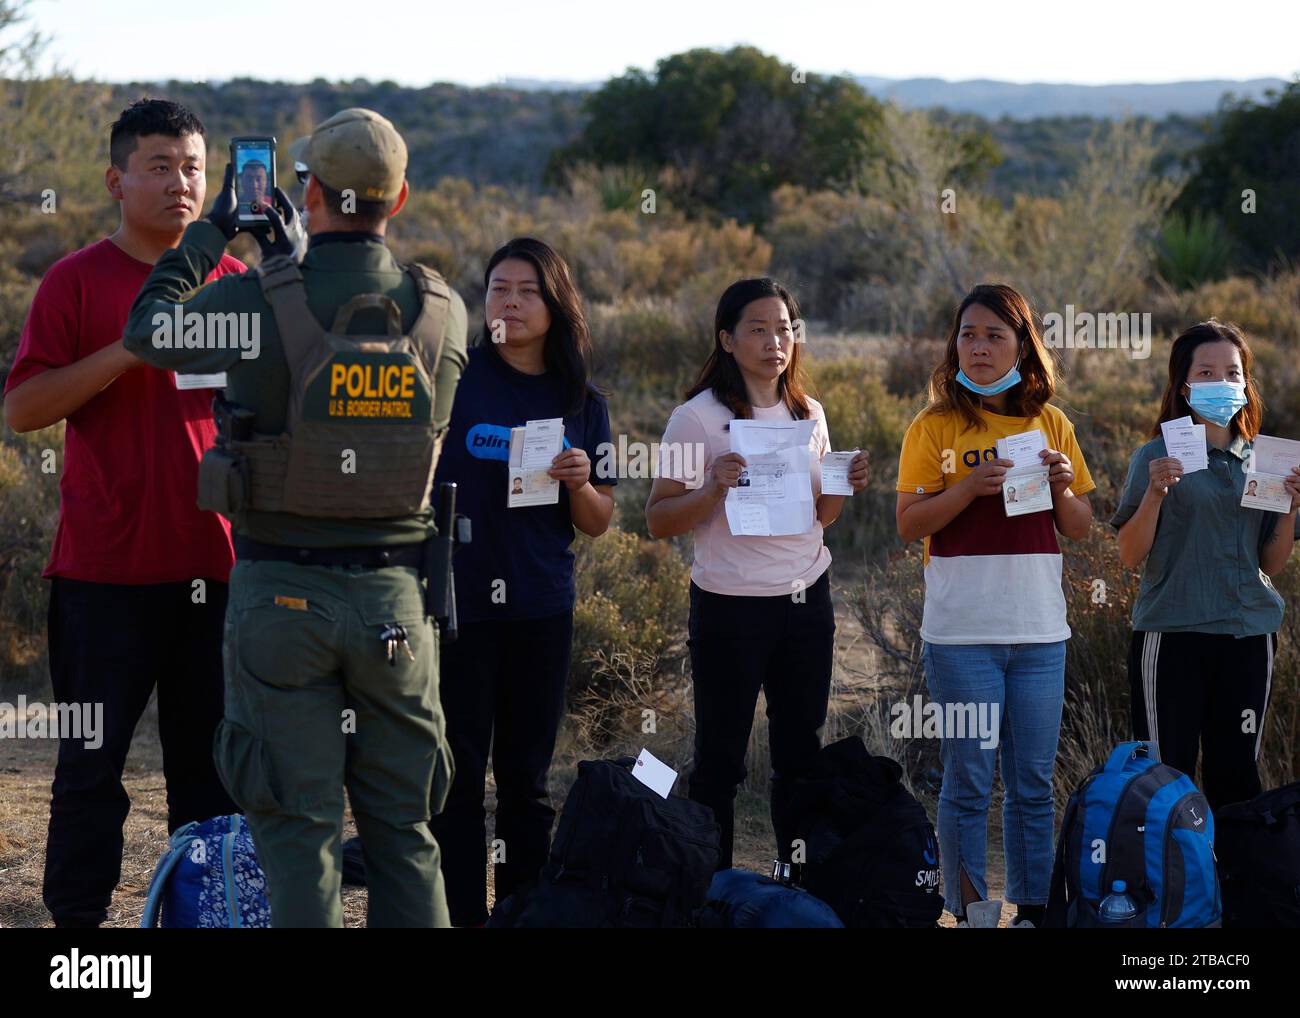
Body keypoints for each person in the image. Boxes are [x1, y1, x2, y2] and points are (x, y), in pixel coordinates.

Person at [121, 107, 469, 927]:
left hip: (281, 597)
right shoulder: (442, 312)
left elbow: (149, 333)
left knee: (297, 831)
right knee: (405, 833)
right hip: (396, 607)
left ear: (306, 191)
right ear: (401, 197)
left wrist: (210, 239)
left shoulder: (255, 304)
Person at [3, 98, 245, 929]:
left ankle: (203, 915)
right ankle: (78, 935)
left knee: (211, 777)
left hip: (218, 571)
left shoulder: (239, 285)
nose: (181, 184)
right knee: (89, 772)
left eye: (193, 169)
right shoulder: (75, 280)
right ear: (115, 179)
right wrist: (131, 350)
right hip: (102, 575)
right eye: (159, 166)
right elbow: (25, 408)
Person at [644, 277, 869, 870]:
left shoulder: (810, 413)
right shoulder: (695, 419)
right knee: (719, 760)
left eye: (785, 328)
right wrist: (713, 487)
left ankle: (795, 883)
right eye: (758, 328)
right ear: (727, 339)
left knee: (801, 757)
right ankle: (712, 889)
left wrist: (844, 481)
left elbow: (823, 515)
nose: (775, 341)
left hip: (806, 601)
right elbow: (659, 519)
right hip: (729, 607)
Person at [895, 283, 1095, 928]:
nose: (978, 348)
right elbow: (908, 523)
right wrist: (967, 490)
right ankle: (971, 910)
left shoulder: (1052, 422)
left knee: (1033, 786)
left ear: (1023, 348)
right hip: (962, 636)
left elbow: (1081, 526)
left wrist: (1064, 488)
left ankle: (1033, 909)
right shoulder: (934, 425)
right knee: (969, 785)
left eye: (994, 336)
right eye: (967, 335)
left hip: (1040, 633)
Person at [429, 236, 615, 927]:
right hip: (458, 605)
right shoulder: (455, 378)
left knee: (526, 784)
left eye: (526, 290)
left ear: (555, 302)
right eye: (498, 288)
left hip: (540, 605)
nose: (508, 301)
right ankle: (457, 918)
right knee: (454, 780)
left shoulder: (581, 399)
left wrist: (581, 482)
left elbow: (598, 521)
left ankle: (519, 915)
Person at [1112, 319, 1299, 811]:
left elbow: (1271, 563)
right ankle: (1170, 886)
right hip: (1172, 633)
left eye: (1233, 373)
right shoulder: (1154, 456)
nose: (1223, 384)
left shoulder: (1265, 460)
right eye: (1208, 372)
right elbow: (1130, 555)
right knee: (1163, 776)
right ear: (1184, 384)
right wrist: (1154, 494)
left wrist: (1290, 508)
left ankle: (1235, 886)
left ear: (1246, 382)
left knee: (1236, 775)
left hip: (1247, 635)